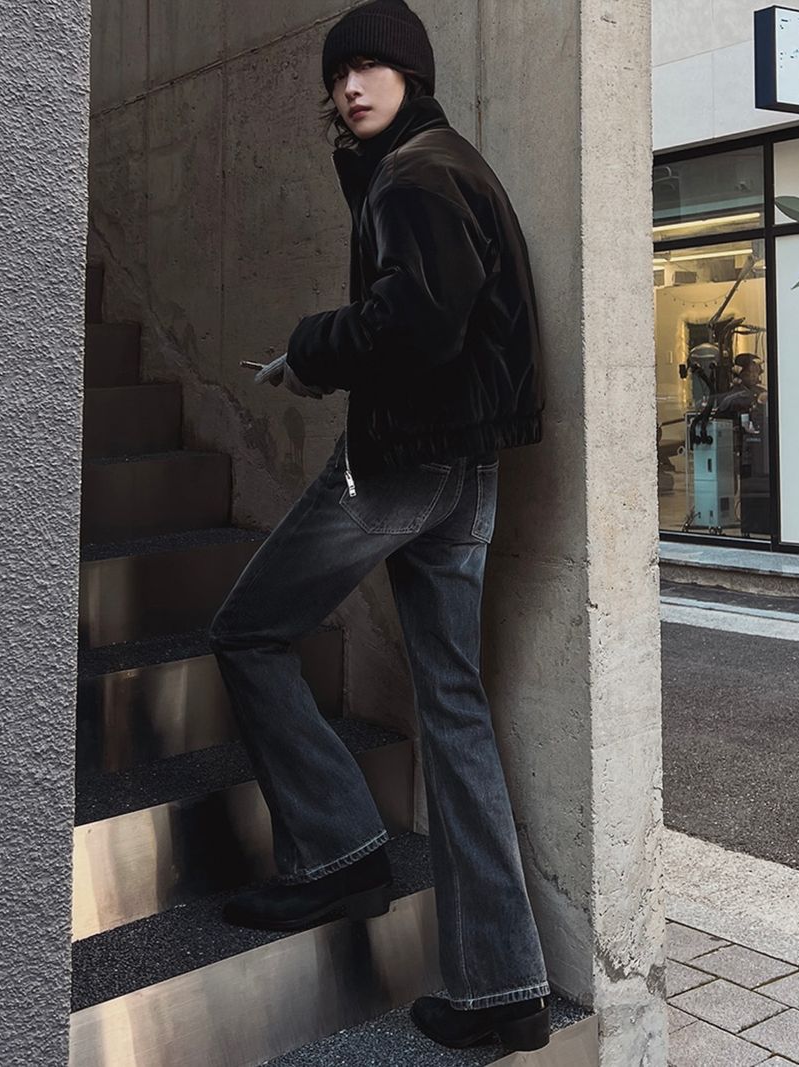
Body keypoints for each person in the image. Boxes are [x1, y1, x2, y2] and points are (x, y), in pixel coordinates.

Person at [207, 0, 551, 1052]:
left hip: (404, 465)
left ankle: (338, 851)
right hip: (467, 469)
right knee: (453, 706)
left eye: (370, 67)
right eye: (338, 74)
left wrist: (311, 347)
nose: (350, 87)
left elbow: (421, 321)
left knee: (246, 630)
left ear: (411, 75)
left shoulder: (415, 176)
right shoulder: (444, 165)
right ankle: (505, 989)